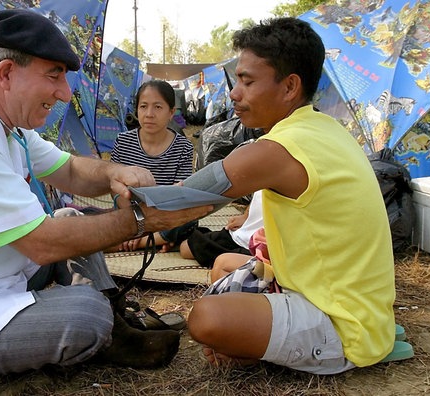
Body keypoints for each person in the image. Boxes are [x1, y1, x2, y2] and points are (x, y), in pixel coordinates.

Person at [0, 10, 211, 396]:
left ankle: (115, 329)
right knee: (85, 315)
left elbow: (69, 171)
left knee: (69, 215)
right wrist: (143, 219)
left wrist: (113, 173)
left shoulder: (0, 118)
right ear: (5, 74)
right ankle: (100, 328)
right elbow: (43, 243)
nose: (65, 92)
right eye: (54, 75)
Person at [186, 17, 396, 374]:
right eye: (237, 80)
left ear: (289, 87)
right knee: (222, 265)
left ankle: (270, 347)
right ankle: (260, 339)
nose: (235, 93)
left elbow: (180, 200)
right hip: (342, 298)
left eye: (247, 81)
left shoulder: (278, 148)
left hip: (344, 325)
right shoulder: (325, 128)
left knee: (205, 317)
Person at [109, 79, 195, 252]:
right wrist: (140, 219)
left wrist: (153, 222)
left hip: (165, 216)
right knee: (89, 221)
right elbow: (114, 189)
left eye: (157, 107)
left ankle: (142, 241)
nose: (149, 114)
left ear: (171, 113)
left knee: (191, 217)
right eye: (143, 106)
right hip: (128, 213)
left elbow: (180, 195)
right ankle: (157, 241)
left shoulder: (183, 147)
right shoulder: (123, 141)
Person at [179, 190, 263, 268]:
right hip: (242, 234)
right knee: (186, 248)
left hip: (261, 249)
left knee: (223, 264)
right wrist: (245, 216)